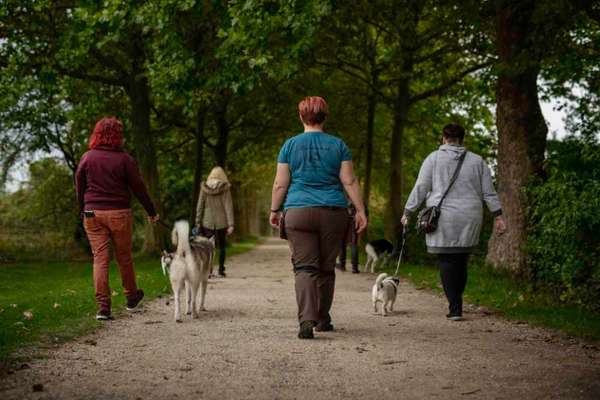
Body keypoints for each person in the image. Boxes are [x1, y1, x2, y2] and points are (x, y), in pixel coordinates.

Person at [270, 96, 368, 339]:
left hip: (298, 212)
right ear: (325, 116)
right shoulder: (338, 145)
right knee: (326, 268)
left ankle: (306, 319)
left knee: (304, 268)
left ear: (301, 116)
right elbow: (349, 180)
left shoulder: (289, 145)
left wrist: (274, 210)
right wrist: (360, 210)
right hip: (333, 212)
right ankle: (323, 319)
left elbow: (280, 184)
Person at [401, 123, 506, 321]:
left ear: (444, 138)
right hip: (470, 216)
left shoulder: (433, 159)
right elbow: (488, 192)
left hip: (443, 218)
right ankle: (457, 301)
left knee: (446, 260)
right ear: (462, 139)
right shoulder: (478, 161)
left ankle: (455, 307)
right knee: (461, 260)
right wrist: (498, 215)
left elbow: (421, 187)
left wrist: (408, 211)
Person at [75, 117, 159, 321]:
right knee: (124, 256)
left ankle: (103, 307)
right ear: (117, 137)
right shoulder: (125, 160)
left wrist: (83, 208)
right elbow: (139, 187)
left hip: (91, 213)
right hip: (119, 213)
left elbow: (79, 184)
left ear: (97, 134)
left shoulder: (87, 157)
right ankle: (131, 297)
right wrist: (151, 211)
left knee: (100, 259)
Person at [195, 166, 234, 278]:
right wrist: (231, 224)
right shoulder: (225, 188)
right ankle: (221, 270)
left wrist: (197, 221)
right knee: (221, 247)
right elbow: (228, 206)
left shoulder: (204, 188)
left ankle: (208, 270)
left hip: (207, 221)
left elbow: (200, 205)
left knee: (207, 248)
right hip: (222, 222)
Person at [336, 203, 360, 274]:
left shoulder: (341, 196)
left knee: (343, 243)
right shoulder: (356, 197)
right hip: (353, 222)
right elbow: (365, 212)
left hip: (344, 221)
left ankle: (342, 265)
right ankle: (354, 268)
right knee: (353, 243)